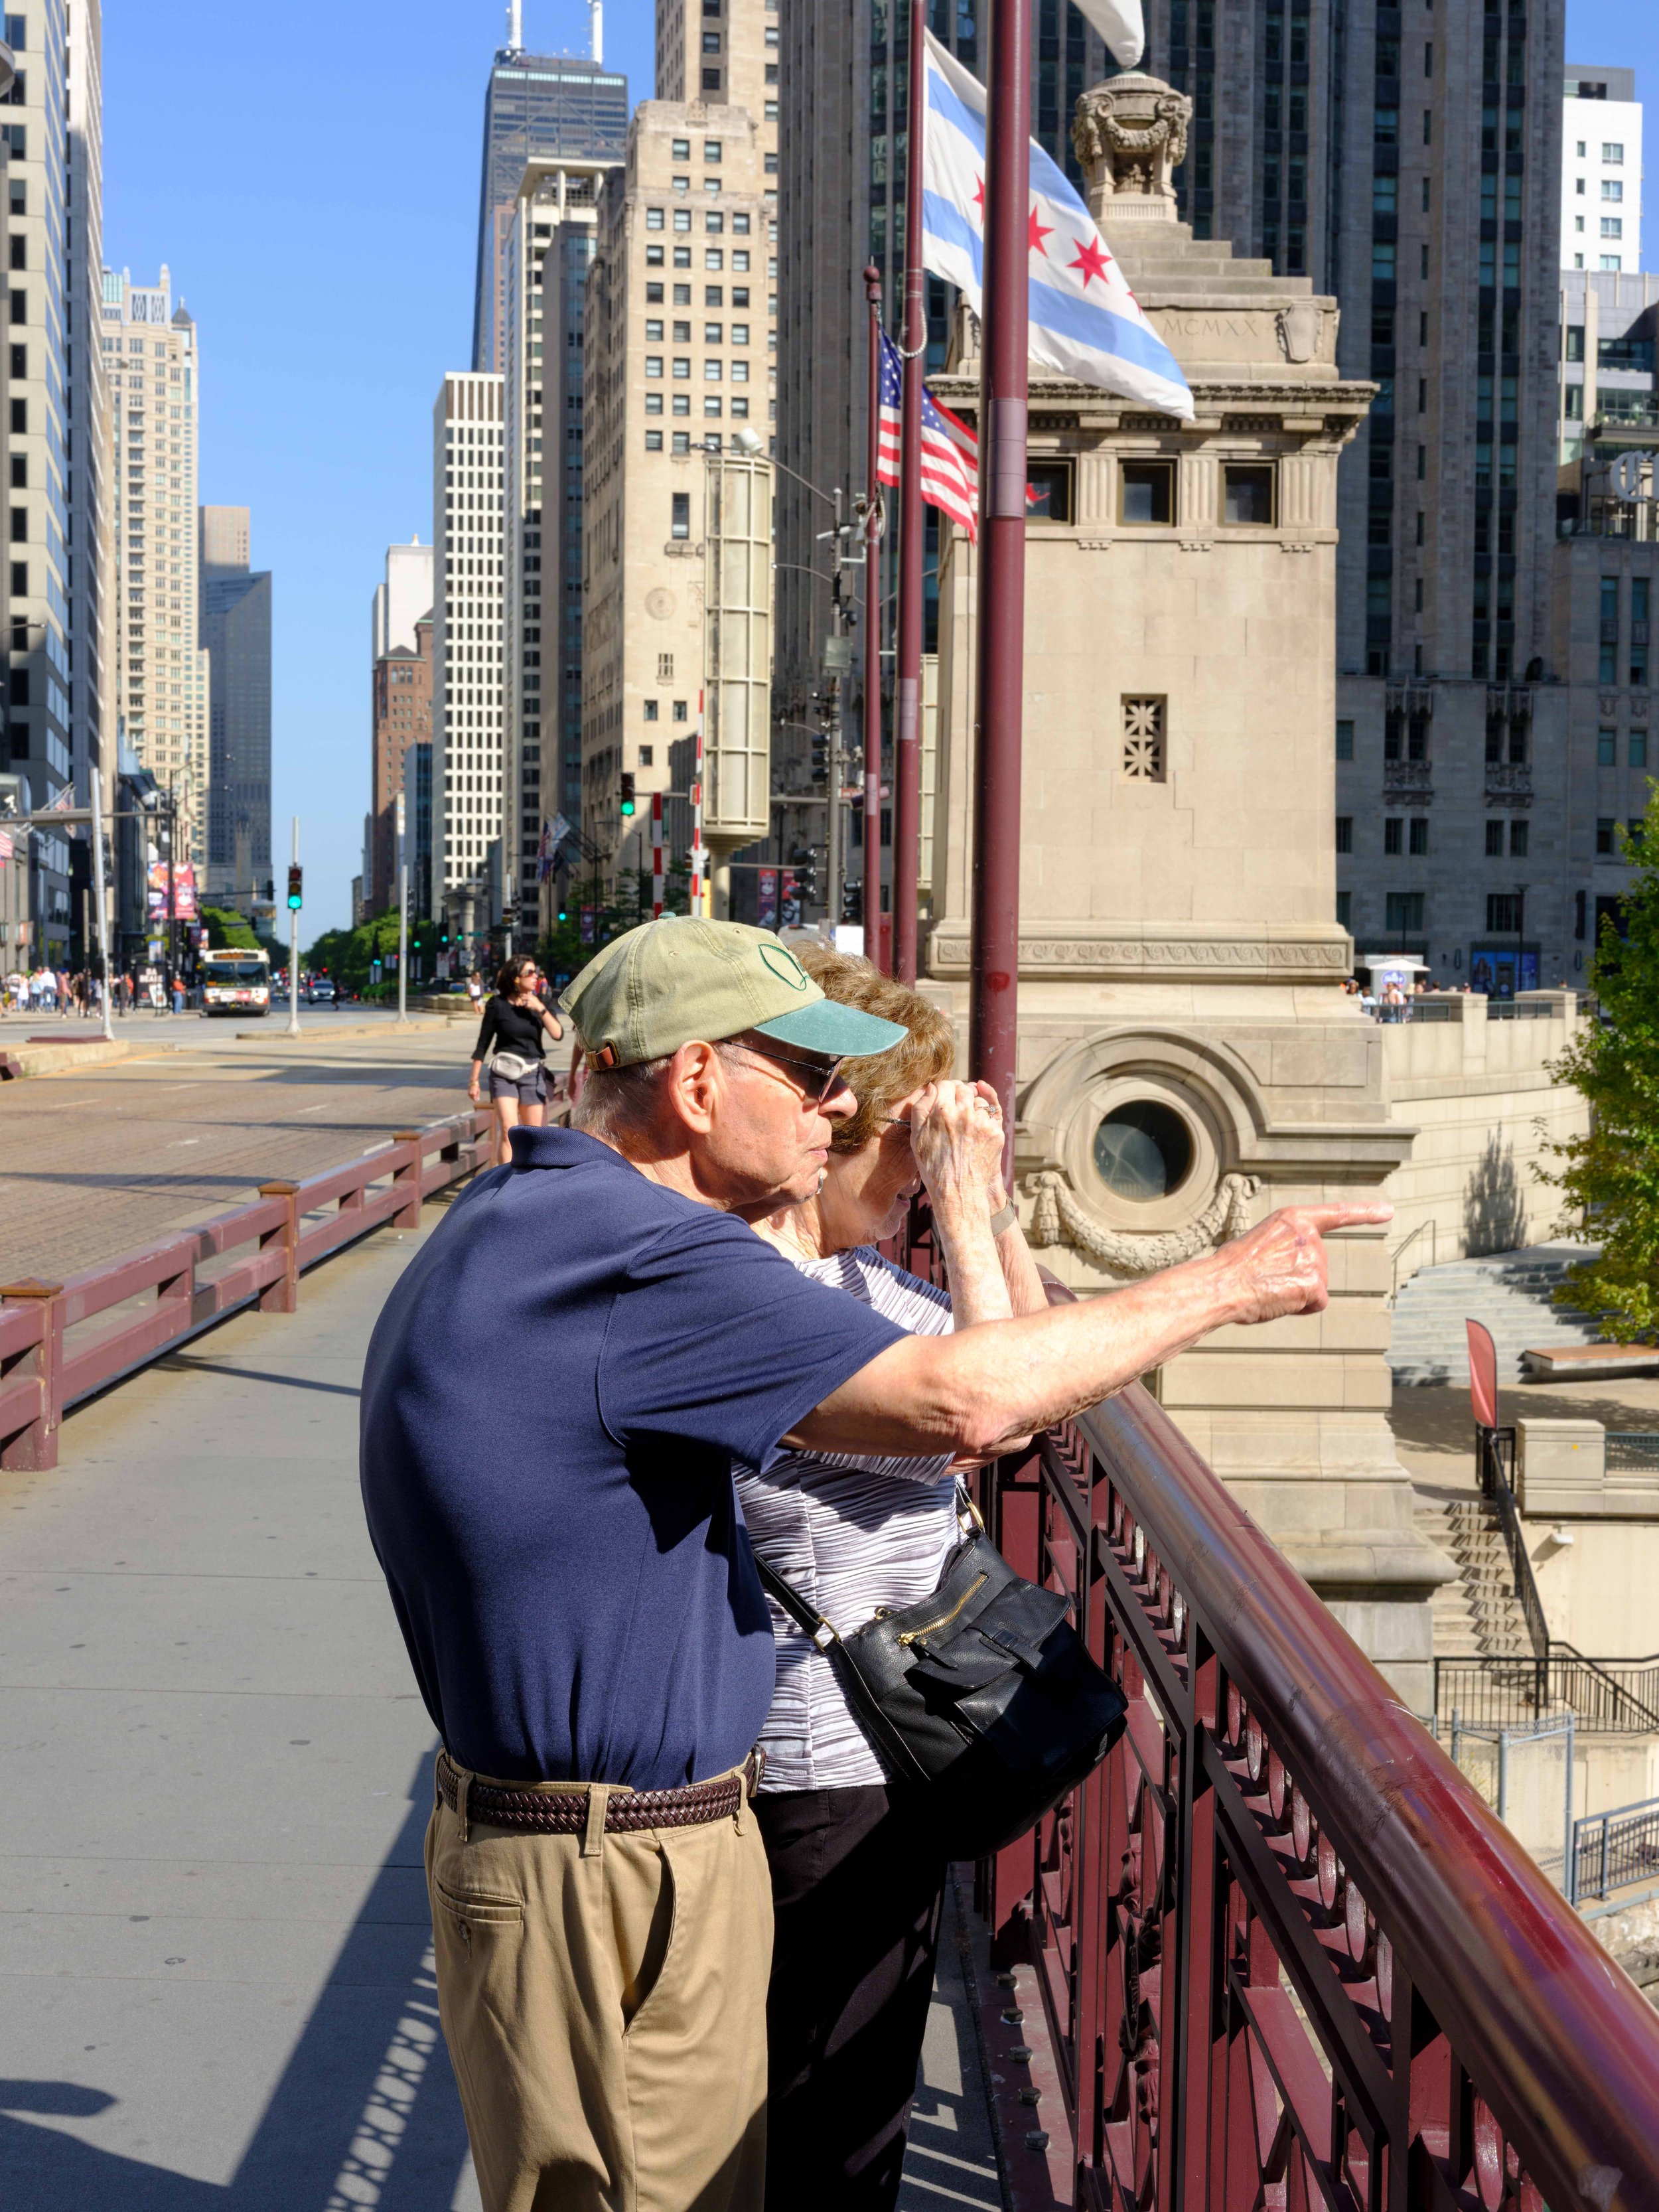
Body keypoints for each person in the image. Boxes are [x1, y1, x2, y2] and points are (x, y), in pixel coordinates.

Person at [358, 917, 1386, 2212]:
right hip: (611, 1866)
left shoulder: (529, 1218)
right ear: (692, 1083)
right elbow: (973, 1404)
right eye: (809, 1077)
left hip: (581, 1841)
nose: (840, 1112)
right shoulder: (639, 1257)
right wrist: (1228, 1279)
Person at [737, 950, 1046, 2210]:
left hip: (872, 1755)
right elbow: (994, 1416)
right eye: (909, 1148)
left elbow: (1040, 1363)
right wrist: (969, 1214)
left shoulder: (862, 1278)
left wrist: (997, 1200)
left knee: (834, 2103)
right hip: (822, 1770)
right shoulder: (777, 1293)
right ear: (843, 1122)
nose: (920, 1180)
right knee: (832, 2124)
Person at [468, 954, 565, 1167]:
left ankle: (528, 1183)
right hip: (504, 1075)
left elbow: (558, 1034)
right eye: (529, 973)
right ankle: (507, 1183)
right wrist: (474, 1080)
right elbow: (482, 1045)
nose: (535, 977)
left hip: (533, 1073)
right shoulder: (497, 1005)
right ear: (515, 978)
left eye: (535, 972)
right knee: (510, 1131)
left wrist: (539, 1007)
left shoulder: (541, 1002)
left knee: (532, 1136)